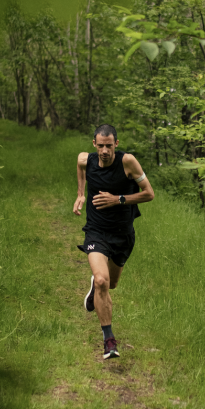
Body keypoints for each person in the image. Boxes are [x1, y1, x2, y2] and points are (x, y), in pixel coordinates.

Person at [73, 124, 154, 359]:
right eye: (101, 146)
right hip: (96, 231)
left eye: (109, 146)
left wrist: (117, 199)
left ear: (116, 144)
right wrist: (80, 193)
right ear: (94, 145)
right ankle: (109, 340)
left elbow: (149, 193)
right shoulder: (86, 159)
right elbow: (80, 167)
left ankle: (95, 290)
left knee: (111, 284)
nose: (105, 150)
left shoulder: (127, 162)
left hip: (123, 234)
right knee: (101, 280)